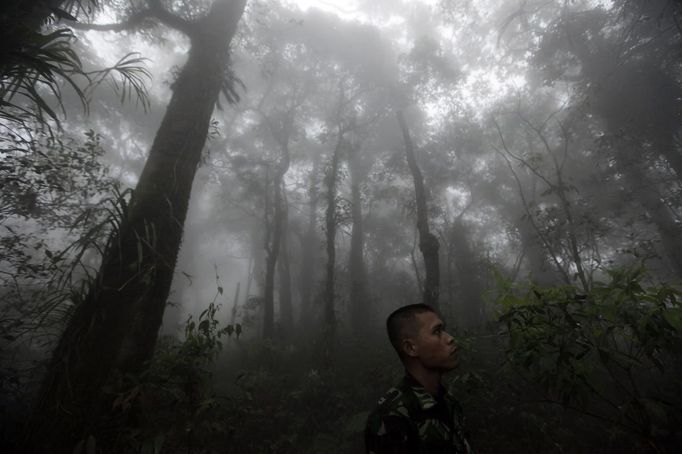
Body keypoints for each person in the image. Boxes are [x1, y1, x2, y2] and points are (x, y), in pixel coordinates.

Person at [365, 304, 472, 454]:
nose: (450, 338)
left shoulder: (450, 403)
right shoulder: (392, 417)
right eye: (437, 331)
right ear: (410, 348)